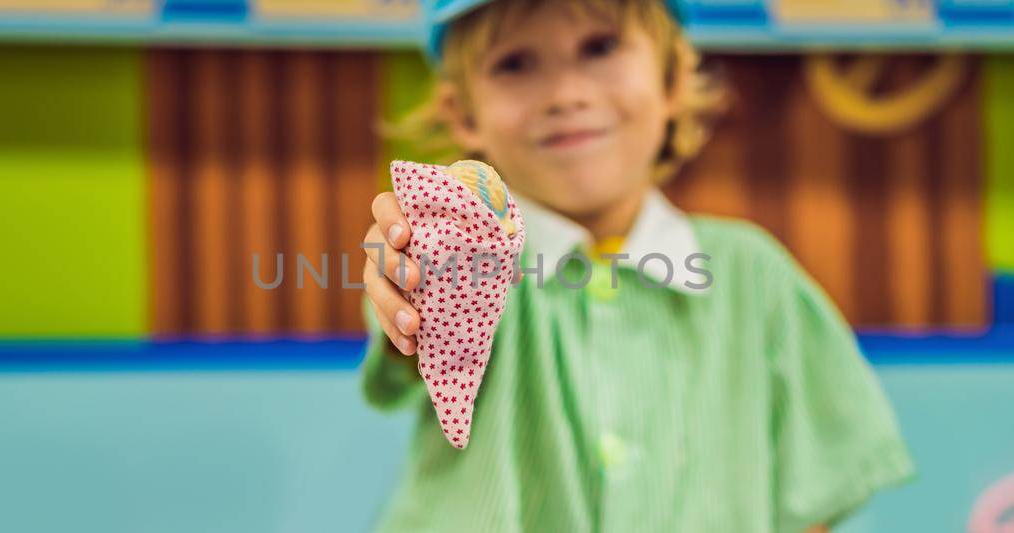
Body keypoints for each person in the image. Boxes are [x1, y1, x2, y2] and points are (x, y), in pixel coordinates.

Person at [358, 1, 914, 531]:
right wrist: (413, 272)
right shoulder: (468, 260)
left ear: (673, 78)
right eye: (515, 63)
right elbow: (414, 336)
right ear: (463, 114)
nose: (565, 94)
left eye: (599, 47)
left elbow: (809, 501)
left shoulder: (754, 275)